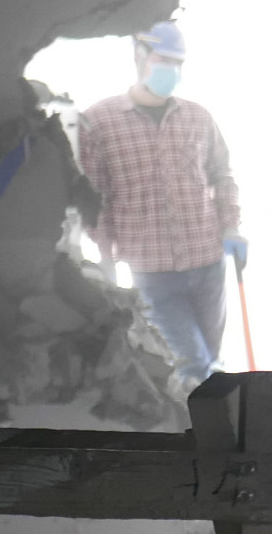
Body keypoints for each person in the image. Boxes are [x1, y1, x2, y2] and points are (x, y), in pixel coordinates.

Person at [76, 21, 245, 393]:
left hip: (207, 261)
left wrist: (231, 226)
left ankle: (209, 437)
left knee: (210, 364)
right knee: (191, 362)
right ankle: (192, 438)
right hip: (151, 272)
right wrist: (105, 253)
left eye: (178, 62)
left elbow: (222, 175)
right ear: (139, 55)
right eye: (163, 59)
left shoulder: (198, 118)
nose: (172, 69)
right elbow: (93, 197)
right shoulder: (99, 122)